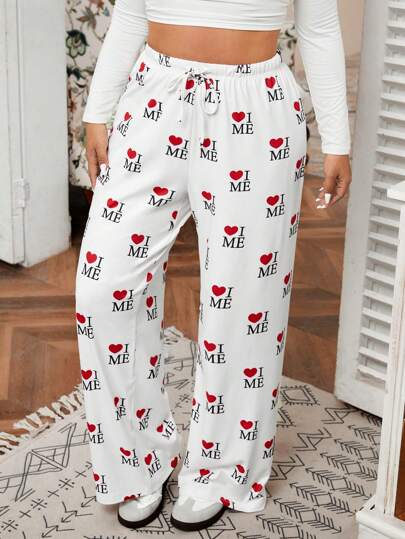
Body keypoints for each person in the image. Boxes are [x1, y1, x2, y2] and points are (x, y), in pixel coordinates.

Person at [75, 0, 352, 532]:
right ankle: (137, 461)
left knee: (244, 303)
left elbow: (319, 28)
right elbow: (131, 14)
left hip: (256, 108)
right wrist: (96, 110)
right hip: (154, 98)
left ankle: (220, 471)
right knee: (103, 289)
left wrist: (337, 140)